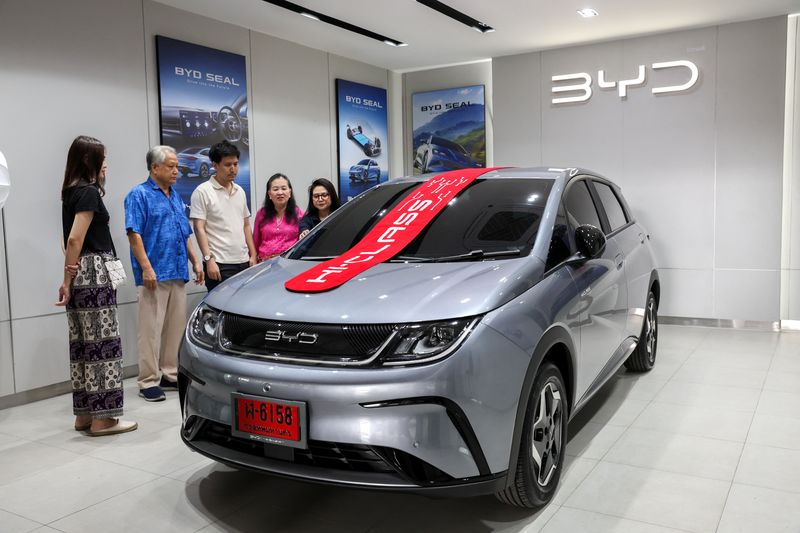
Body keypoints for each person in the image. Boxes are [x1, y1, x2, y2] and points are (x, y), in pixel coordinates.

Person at [56, 135, 137, 436]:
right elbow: (76, 239)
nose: (107, 164)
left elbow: (66, 242)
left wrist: (67, 279)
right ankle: (105, 420)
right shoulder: (89, 192)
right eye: (102, 158)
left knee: (82, 345)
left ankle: (85, 416)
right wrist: (69, 276)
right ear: (90, 160)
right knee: (104, 345)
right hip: (94, 272)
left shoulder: (70, 192)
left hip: (79, 274)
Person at [124, 145, 204, 402]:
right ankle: (148, 380)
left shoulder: (175, 197)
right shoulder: (139, 195)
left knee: (174, 328)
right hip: (153, 275)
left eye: (177, 166)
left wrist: (196, 261)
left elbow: (185, 233)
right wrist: (147, 267)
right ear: (154, 167)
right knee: (150, 329)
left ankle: (169, 373)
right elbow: (133, 234)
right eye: (171, 166)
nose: (176, 171)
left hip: (177, 271)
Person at [190, 140, 256, 292]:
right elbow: (199, 228)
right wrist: (208, 260)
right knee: (221, 311)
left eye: (235, 164)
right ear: (215, 165)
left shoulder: (240, 191)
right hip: (219, 264)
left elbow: (246, 225)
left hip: (244, 262)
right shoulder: (202, 192)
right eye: (228, 165)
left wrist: (253, 255)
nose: (233, 169)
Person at [253, 173, 304, 261]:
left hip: (289, 263)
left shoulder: (299, 214)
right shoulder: (261, 213)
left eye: (284, 188)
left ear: (290, 192)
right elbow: (255, 240)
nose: (280, 192)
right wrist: (253, 257)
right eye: (275, 189)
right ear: (269, 194)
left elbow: (303, 243)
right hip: (264, 264)